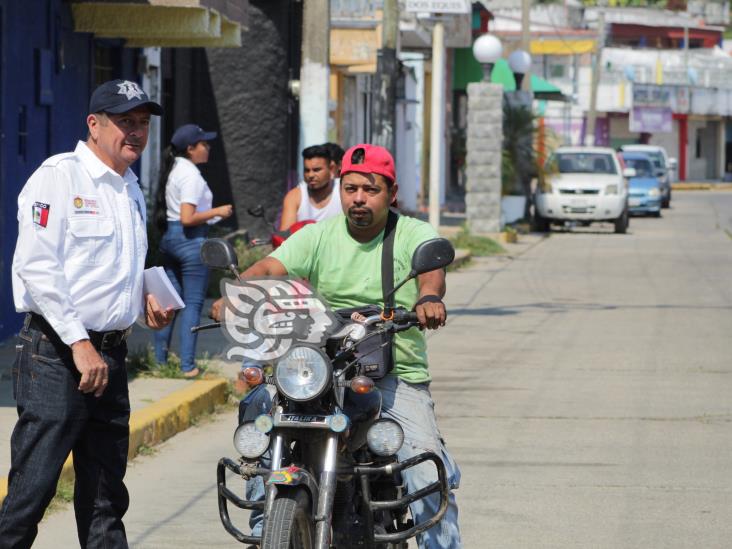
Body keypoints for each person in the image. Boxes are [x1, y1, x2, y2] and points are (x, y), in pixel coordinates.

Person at [212, 144, 462, 548]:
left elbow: (431, 272)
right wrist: (239, 292)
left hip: (394, 377)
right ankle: (266, 526)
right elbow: (272, 266)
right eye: (350, 188)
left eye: (370, 189)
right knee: (260, 425)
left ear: (391, 192)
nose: (358, 198)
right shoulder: (317, 235)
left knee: (425, 470)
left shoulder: (413, 234)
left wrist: (427, 299)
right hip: (322, 371)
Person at [0, 79, 173, 549]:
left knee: (104, 497)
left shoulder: (130, 188)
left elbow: (110, 272)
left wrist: (144, 303)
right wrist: (79, 344)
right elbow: (37, 268)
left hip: (110, 358)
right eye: (124, 122)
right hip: (57, 356)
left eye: (142, 123)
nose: (135, 132)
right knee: (33, 490)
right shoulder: (58, 177)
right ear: (94, 125)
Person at [152, 124, 233, 378]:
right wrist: (218, 211)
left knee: (169, 302)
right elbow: (188, 217)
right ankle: (188, 366)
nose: (208, 148)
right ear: (191, 148)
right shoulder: (190, 175)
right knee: (192, 305)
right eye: (204, 144)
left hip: (171, 239)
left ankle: (159, 361)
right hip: (190, 241)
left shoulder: (175, 168)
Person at [278, 144, 343, 231]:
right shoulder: (294, 196)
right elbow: (284, 238)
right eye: (307, 170)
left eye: (317, 170)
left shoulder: (343, 189)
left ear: (331, 169)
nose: (310, 175)